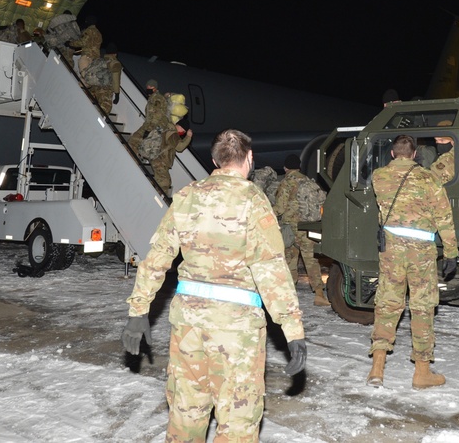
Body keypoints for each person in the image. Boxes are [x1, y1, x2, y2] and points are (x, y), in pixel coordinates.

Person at [121, 129, 306, 442]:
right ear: (249, 159)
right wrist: (293, 329)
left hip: (189, 331)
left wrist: (138, 311)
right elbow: (271, 268)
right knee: (237, 424)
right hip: (237, 335)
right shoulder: (254, 201)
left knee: (185, 417)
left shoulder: (187, 195)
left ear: (214, 160)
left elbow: (157, 259)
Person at [367, 134, 457, 389]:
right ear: (415, 154)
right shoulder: (429, 179)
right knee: (422, 307)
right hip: (421, 253)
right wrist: (451, 252)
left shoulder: (379, 177)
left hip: (391, 251)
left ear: (393, 154)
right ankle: (422, 373)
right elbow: (444, 218)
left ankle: (377, 369)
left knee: (387, 303)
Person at [273, 154, 330, 307]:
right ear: (299, 167)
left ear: (285, 168)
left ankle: (289, 295)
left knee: (290, 260)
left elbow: (280, 208)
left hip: (290, 229)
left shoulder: (286, 183)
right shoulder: (308, 181)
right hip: (307, 227)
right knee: (311, 261)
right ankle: (319, 294)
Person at [127, 79, 172, 155]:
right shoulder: (152, 98)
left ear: (155, 88)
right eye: (147, 86)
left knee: (134, 141)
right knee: (134, 142)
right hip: (149, 125)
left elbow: (157, 116)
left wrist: (148, 130)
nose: (148, 88)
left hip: (153, 127)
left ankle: (133, 160)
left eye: (150, 86)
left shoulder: (157, 98)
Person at [150, 123, 194, 200]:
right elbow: (179, 147)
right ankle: (159, 200)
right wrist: (188, 137)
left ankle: (156, 196)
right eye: (183, 130)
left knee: (164, 181)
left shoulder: (168, 130)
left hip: (159, 160)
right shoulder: (173, 134)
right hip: (160, 161)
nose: (183, 133)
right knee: (164, 182)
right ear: (179, 126)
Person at [429, 120, 456, 184]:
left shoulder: (448, 158)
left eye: (442, 140)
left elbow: (432, 181)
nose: (438, 143)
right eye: (436, 140)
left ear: (453, 142)